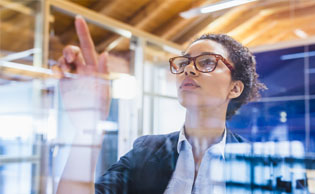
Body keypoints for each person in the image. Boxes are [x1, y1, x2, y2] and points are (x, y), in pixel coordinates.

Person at [55, 16, 266, 194]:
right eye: (183, 63)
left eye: (207, 62)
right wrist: (87, 129)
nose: (189, 70)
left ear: (235, 88)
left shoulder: (258, 163)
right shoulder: (146, 151)